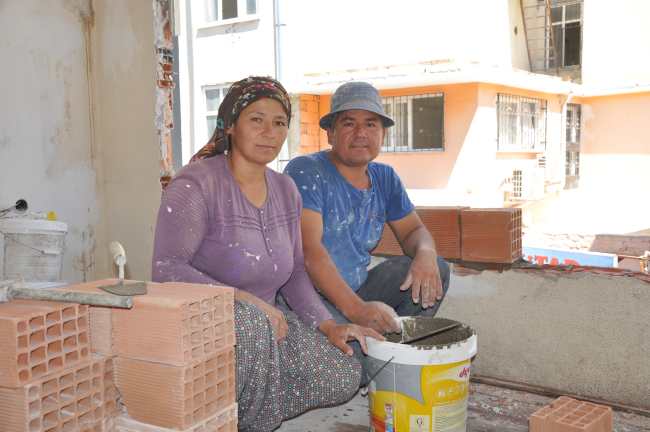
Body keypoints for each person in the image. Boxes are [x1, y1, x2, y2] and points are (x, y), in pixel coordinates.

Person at [151, 77, 382, 432]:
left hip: (268, 327)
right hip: (202, 329)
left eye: (279, 123)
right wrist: (244, 301)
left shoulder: (285, 189)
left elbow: (295, 275)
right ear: (230, 125)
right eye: (256, 119)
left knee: (346, 372)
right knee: (251, 326)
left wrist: (329, 325)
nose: (268, 133)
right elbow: (166, 270)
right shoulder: (196, 184)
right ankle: (245, 415)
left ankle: (236, 402)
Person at [284, 82, 451, 385]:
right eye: (349, 123)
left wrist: (426, 252)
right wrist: (358, 311)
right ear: (331, 133)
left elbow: (414, 230)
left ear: (383, 134)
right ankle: (376, 362)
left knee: (435, 267)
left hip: (358, 292)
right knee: (350, 373)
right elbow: (309, 251)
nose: (360, 133)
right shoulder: (307, 170)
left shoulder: (384, 177)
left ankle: (393, 357)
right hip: (311, 302)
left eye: (370, 124)